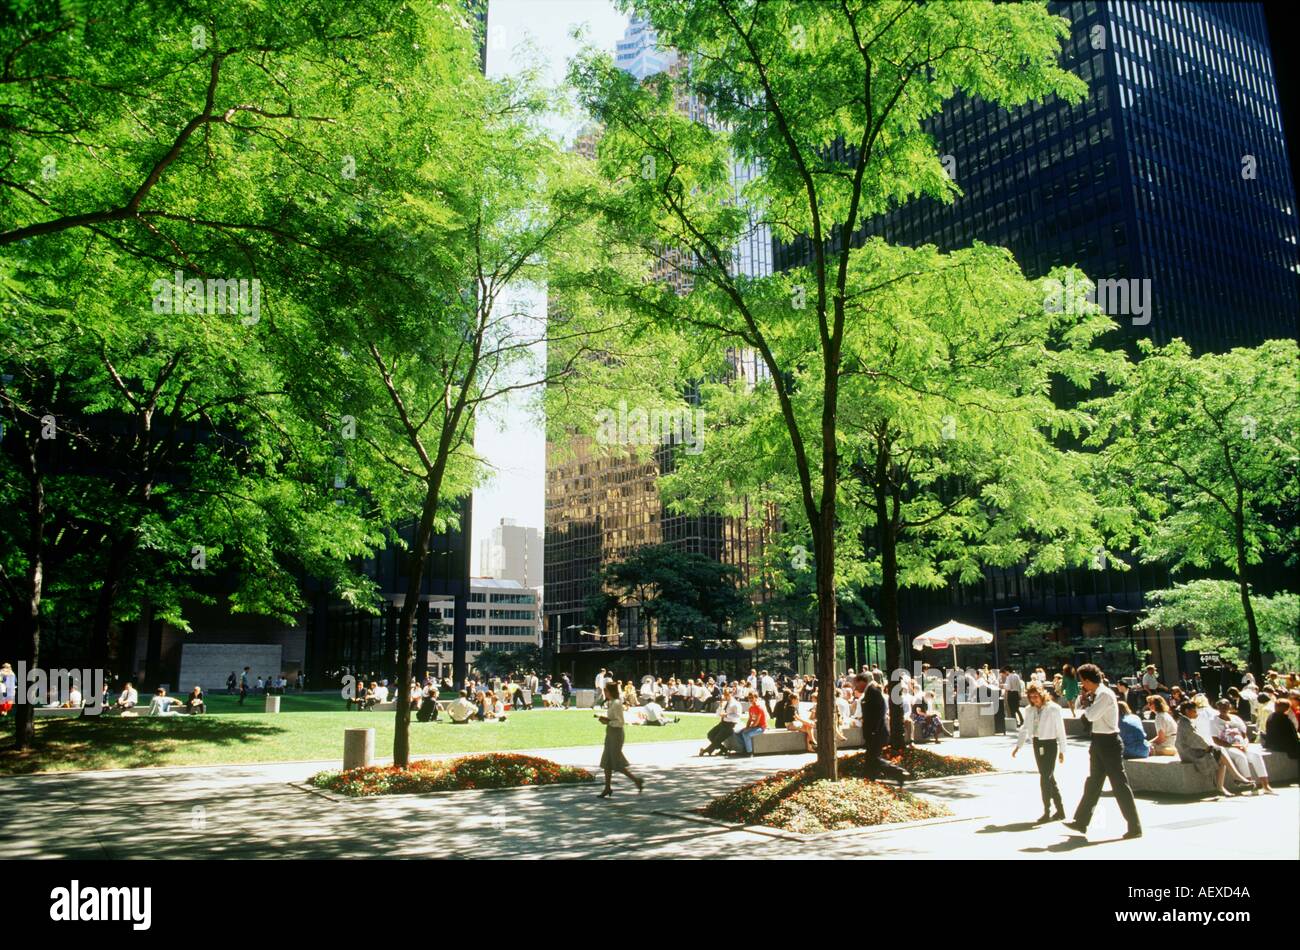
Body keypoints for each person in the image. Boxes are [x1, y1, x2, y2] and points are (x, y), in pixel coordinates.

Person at [1064, 664, 1142, 839]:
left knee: (1119, 785)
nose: (1082, 686)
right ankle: (1081, 821)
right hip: (1099, 740)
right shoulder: (1099, 694)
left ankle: (1135, 826)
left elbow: (1091, 716)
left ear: (1087, 680)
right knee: (1093, 782)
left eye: (1082, 682)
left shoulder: (1105, 694)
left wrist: (1087, 706)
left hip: (1109, 742)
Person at [1012, 681, 1067, 822]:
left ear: (1042, 694)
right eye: (1031, 697)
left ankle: (1047, 811)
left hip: (1050, 743)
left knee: (1045, 777)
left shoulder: (1054, 708)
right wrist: (1018, 745)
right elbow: (1024, 728)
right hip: (1037, 743)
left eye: (1036, 696)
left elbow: (1061, 730)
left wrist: (1062, 750)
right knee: (1048, 777)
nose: (1034, 699)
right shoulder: (1029, 710)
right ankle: (1060, 810)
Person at [1176, 701, 1253, 797]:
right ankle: (1235, 778)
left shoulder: (1185, 721)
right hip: (1189, 753)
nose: (1197, 713)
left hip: (1192, 750)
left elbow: (1195, 739)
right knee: (1219, 751)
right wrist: (1207, 747)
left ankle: (1222, 786)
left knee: (1220, 756)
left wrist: (1208, 747)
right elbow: (1194, 738)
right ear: (1187, 711)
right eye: (1194, 711)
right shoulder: (1184, 723)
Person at [853, 675, 910, 786]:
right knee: (871, 759)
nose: (855, 686)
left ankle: (898, 772)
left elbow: (880, 712)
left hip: (876, 733)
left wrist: (874, 730)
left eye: (856, 683)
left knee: (873, 758)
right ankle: (869, 779)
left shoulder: (873, 692)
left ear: (862, 682)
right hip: (874, 733)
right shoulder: (869, 693)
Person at [1209, 699, 1274, 794]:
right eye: (1221, 706)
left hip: (1241, 745)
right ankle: (1251, 785)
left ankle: (1266, 786)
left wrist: (1245, 745)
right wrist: (1234, 746)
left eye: (1226, 706)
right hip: (1227, 747)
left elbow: (1244, 735)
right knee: (1241, 757)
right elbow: (1216, 740)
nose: (1224, 708)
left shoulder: (1236, 718)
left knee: (1256, 755)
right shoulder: (1214, 721)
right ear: (1217, 707)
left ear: (1230, 706)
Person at [597, 682, 642, 797]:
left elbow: (620, 722)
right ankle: (607, 787)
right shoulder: (611, 702)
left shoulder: (617, 703)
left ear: (610, 691)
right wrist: (606, 720)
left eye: (606, 691)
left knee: (616, 762)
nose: (604, 693)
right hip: (610, 732)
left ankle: (636, 780)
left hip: (616, 733)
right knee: (607, 761)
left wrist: (608, 721)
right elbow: (613, 719)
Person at [700, 687, 743, 756]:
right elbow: (718, 714)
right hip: (723, 723)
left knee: (717, 739)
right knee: (710, 735)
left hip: (730, 725)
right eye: (724, 694)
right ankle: (723, 749)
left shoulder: (736, 704)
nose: (725, 696)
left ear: (731, 694)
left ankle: (707, 750)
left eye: (727, 694)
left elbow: (737, 716)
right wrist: (720, 706)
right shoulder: (725, 702)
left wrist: (726, 715)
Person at [736, 692, 768, 757]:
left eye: (752, 698)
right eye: (749, 698)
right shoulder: (751, 708)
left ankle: (750, 752)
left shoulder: (759, 708)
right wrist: (746, 727)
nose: (750, 699)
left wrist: (749, 728)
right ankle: (745, 748)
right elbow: (750, 719)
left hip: (761, 728)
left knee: (746, 734)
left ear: (756, 698)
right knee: (738, 733)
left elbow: (756, 722)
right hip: (755, 726)